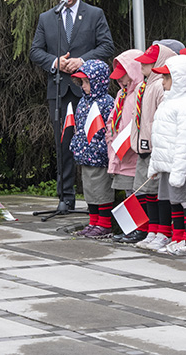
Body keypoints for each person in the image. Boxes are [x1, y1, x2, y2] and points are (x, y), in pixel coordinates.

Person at [29, 0, 114, 211]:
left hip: (89, 92)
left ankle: (97, 201)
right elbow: (35, 51)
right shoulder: (47, 18)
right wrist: (55, 61)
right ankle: (66, 198)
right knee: (63, 143)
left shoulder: (94, 14)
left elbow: (107, 46)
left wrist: (81, 61)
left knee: (94, 142)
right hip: (60, 90)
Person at [148, 55, 186, 257]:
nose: (162, 82)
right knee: (173, 202)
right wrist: (155, 165)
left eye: (166, 77)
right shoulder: (167, 103)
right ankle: (178, 238)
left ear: (180, 78)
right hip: (166, 165)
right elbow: (159, 137)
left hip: (179, 166)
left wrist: (180, 171)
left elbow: (185, 141)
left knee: (185, 201)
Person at [132, 44, 178, 250]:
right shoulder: (143, 86)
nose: (142, 65)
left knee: (158, 193)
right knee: (146, 192)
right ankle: (152, 229)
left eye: (148, 62)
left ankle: (163, 231)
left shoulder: (160, 86)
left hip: (155, 147)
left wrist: (155, 140)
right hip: (142, 148)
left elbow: (163, 118)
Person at [69, 60, 115, 238]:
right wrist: (76, 144)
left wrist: (102, 148)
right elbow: (80, 127)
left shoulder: (106, 103)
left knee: (101, 191)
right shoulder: (83, 102)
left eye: (87, 82)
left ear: (98, 81)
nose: (84, 86)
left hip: (99, 157)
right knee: (90, 191)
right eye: (82, 82)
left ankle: (104, 224)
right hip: (85, 155)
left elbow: (110, 129)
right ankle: (93, 222)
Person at [105, 49, 145, 243]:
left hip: (134, 152)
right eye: (118, 77)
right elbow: (113, 119)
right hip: (120, 151)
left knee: (138, 192)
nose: (121, 80)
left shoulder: (140, 92)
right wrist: (110, 138)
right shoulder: (121, 94)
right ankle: (131, 228)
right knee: (128, 192)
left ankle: (141, 229)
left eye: (124, 75)